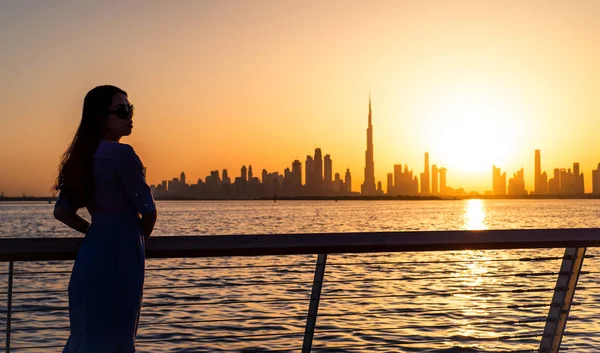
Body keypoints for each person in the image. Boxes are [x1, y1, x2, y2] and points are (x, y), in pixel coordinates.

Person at [53, 85, 157, 353]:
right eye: (122, 110)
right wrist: (136, 239)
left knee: (85, 339)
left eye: (130, 109)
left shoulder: (81, 157)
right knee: (117, 340)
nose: (129, 116)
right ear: (100, 117)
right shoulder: (122, 154)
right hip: (122, 258)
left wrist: (94, 230)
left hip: (90, 257)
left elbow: (62, 212)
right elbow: (148, 211)